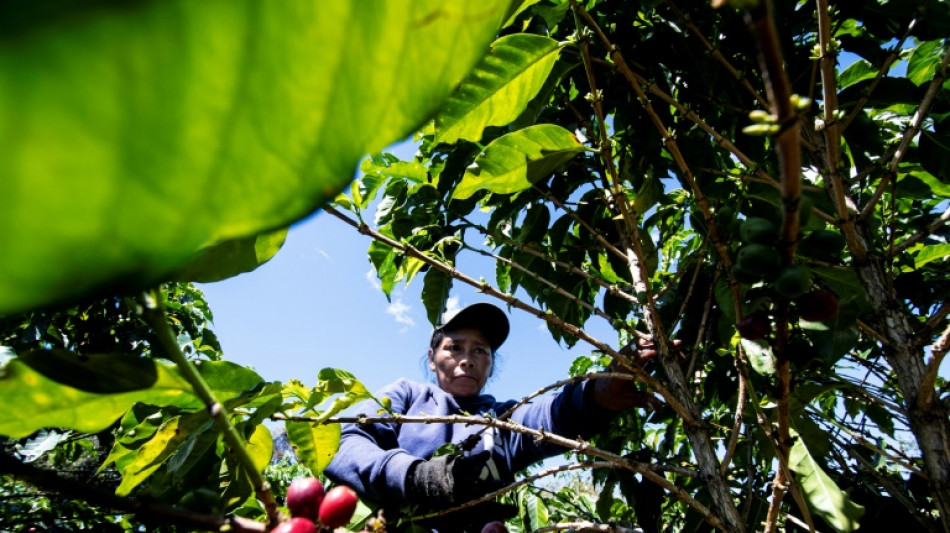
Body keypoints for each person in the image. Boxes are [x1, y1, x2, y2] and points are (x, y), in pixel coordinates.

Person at [324, 302, 660, 533]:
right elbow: (346, 444)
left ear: (490, 363)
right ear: (431, 358)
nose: (467, 360)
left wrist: (595, 394)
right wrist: (415, 477)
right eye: (454, 348)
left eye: (480, 351)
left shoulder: (502, 418)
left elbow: (551, 414)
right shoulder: (407, 395)